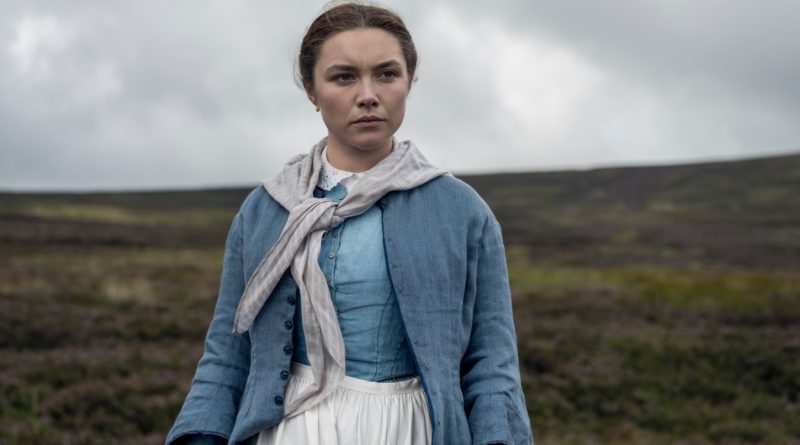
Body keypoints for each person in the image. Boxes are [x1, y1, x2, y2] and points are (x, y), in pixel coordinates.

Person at [166, 2, 533, 445]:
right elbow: (227, 353)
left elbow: (491, 362)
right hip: (288, 429)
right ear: (311, 89)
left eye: (386, 74)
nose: (368, 95)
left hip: (411, 429)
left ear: (409, 82)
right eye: (344, 77)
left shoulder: (462, 211)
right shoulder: (265, 208)